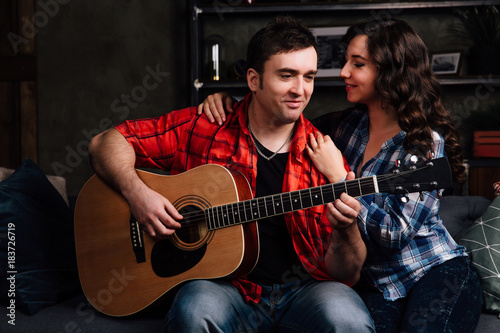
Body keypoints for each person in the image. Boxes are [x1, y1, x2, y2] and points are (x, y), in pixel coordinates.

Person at [88, 16, 374, 333]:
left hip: (304, 290)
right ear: (253, 79)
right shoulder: (204, 126)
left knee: (350, 320)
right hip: (225, 288)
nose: (300, 90)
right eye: (286, 75)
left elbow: (347, 274)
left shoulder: (325, 158)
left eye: (309, 77)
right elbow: (105, 142)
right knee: (195, 312)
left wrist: (347, 230)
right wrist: (137, 194)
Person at [199, 18, 483, 333]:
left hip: (434, 273)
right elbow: (278, 117)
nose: (343, 72)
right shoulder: (344, 127)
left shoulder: (425, 143)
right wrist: (230, 102)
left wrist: (341, 178)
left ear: (390, 72)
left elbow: (394, 234)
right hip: (375, 285)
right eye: (346, 61)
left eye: (357, 64)